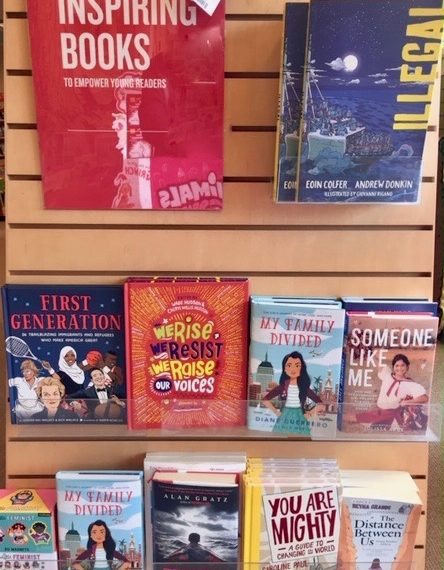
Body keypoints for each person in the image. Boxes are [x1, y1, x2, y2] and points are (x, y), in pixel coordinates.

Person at [356, 354, 428, 429]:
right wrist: (369, 354)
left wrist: (408, 402)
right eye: (397, 366)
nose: (399, 368)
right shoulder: (387, 375)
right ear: (393, 367)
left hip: (393, 413)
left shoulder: (410, 383)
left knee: (358, 419)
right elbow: (378, 364)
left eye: (402, 365)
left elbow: (424, 398)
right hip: (380, 411)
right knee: (357, 419)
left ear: (407, 366)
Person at [262, 351, 324, 435]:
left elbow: (321, 404)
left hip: (300, 416)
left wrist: (309, 414)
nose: (293, 369)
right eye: (289, 365)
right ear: (285, 369)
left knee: (300, 442)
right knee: (280, 441)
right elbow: (265, 400)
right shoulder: (282, 386)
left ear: (301, 369)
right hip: (284, 416)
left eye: (297, 365)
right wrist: (276, 412)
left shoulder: (304, 388)